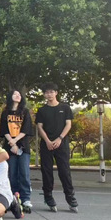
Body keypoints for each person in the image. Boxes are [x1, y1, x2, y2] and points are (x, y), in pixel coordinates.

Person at [36, 82, 78, 212]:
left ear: (56, 93)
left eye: (51, 92)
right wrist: (47, 141)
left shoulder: (65, 108)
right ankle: (48, 197)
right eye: (46, 92)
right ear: (44, 95)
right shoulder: (42, 110)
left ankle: (70, 198)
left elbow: (68, 124)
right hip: (46, 145)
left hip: (62, 144)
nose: (49, 94)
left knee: (64, 172)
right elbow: (39, 127)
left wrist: (60, 138)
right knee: (47, 172)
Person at [0, 90, 34, 213]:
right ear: (10, 97)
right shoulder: (5, 113)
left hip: (23, 146)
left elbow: (26, 129)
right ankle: (13, 197)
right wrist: (12, 143)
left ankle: (25, 198)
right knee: (11, 173)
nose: (18, 96)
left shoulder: (25, 112)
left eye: (19, 94)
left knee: (24, 173)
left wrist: (15, 141)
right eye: (15, 94)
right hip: (9, 147)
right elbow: (4, 130)